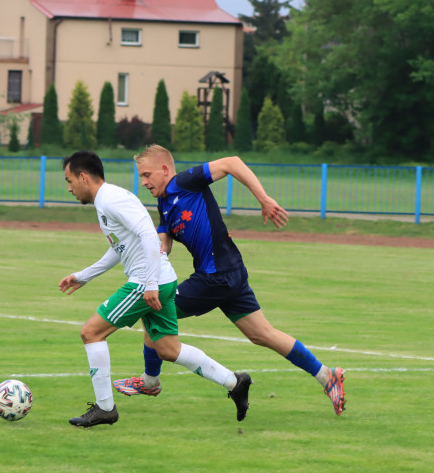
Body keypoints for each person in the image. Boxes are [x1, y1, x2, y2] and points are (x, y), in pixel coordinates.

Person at [112, 144, 347, 415]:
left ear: (165, 170)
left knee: (153, 307)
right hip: (229, 273)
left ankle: (150, 382)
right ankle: (327, 376)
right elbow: (163, 245)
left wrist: (263, 198)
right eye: (141, 176)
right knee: (262, 335)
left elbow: (232, 162)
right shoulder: (164, 203)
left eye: (146, 175)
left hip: (216, 277)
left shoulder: (186, 182)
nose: (143, 182)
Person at [58, 150, 252, 428]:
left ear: (83, 177)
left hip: (146, 281)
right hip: (160, 279)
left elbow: (149, 235)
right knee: (168, 349)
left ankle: (105, 408)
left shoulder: (110, 200)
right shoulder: (108, 200)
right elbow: (120, 248)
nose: (69, 188)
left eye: (69, 180)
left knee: (91, 332)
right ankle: (235, 382)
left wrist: (148, 283)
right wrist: (84, 275)